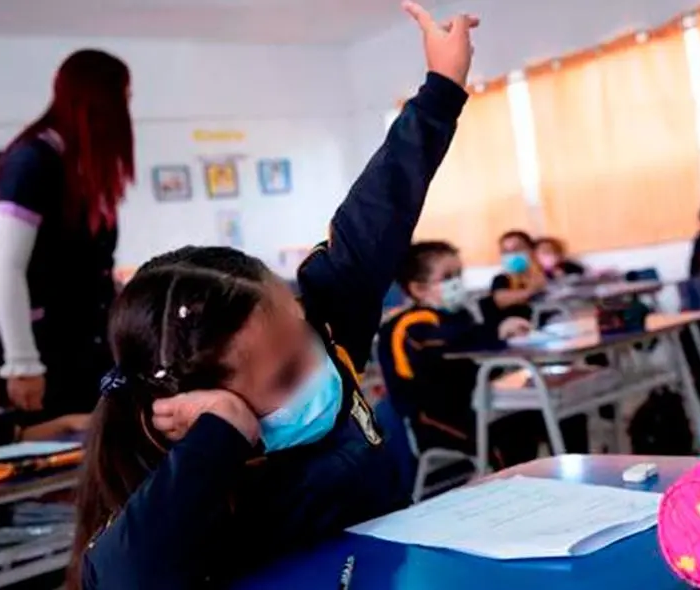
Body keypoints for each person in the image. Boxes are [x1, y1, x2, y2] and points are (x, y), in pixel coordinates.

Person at [68, 4, 479, 588]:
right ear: (195, 407)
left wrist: (440, 92)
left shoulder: (320, 329)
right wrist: (222, 436)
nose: (322, 368)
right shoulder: (187, 482)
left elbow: (374, 218)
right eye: (287, 376)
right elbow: (116, 578)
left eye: (306, 331)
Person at [0, 49, 134, 426]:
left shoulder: (78, 168)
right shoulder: (32, 161)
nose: (127, 108)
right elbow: (2, 267)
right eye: (125, 96)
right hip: (46, 354)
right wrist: (21, 363)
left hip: (86, 347)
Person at [379, 241, 547, 469]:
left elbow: (473, 364)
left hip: (473, 405)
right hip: (432, 419)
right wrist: (497, 331)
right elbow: (447, 340)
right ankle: (513, 493)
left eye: (459, 274)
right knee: (503, 441)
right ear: (419, 289)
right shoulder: (409, 324)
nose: (457, 282)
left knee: (541, 415)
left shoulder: (457, 315)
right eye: (447, 277)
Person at [488, 230, 547, 324]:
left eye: (517, 249)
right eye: (506, 252)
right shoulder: (502, 279)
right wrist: (531, 290)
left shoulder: (547, 272)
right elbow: (501, 299)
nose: (512, 255)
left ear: (531, 250)